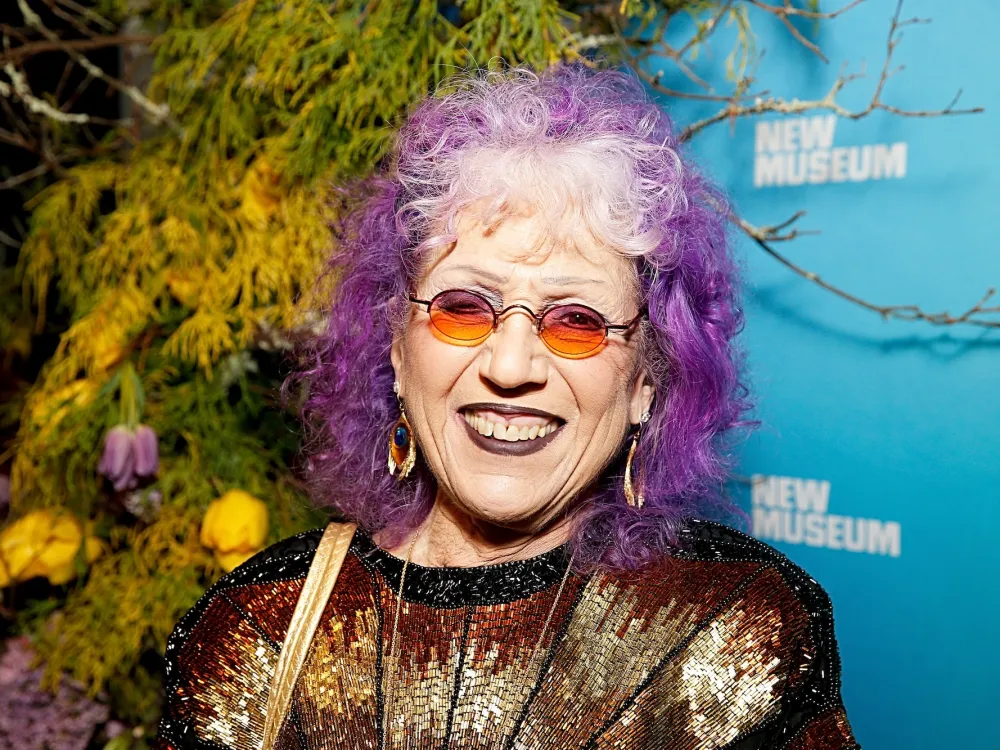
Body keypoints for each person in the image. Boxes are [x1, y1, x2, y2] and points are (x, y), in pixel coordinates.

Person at [153, 65, 859, 750]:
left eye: (576, 320)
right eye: (464, 308)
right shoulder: (260, 631)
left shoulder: (732, 634)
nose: (510, 367)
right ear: (397, 349)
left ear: (648, 380)